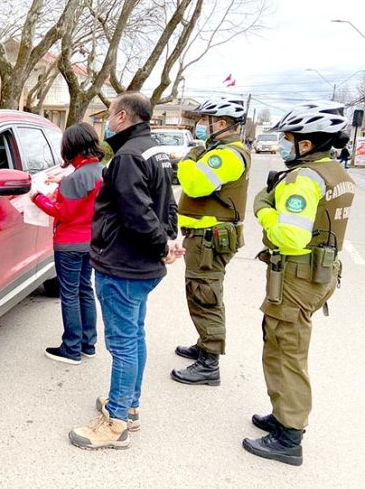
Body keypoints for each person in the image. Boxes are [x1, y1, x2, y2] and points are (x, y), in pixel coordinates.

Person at [69, 92, 184, 450]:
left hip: (124, 264)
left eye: (109, 115)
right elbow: (165, 203)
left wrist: (162, 244)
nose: (106, 123)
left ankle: (116, 421)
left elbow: (137, 212)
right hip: (141, 264)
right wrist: (168, 238)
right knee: (134, 336)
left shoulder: (129, 157)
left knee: (122, 344)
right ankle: (129, 406)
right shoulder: (154, 150)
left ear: (121, 116)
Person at [244, 101, 354, 466]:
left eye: (289, 140)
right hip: (320, 273)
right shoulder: (335, 172)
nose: (284, 145)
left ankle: (289, 436)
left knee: (286, 350)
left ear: (306, 145)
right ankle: (282, 415)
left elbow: (290, 236)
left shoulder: (303, 178)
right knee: (284, 344)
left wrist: (263, 207)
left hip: (297, 275)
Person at [171, 97, 251, 386]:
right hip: (205, 237)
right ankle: (205, 344)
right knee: (200, 292)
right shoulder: (218, 151)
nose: (200, 125)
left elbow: (193, 184)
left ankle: (209, 363)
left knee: (206, 295)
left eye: (205, 120)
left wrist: (189, 159)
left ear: (221, 123)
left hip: (210, 239)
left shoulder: (226, 155)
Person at [30, 123, 104, 365]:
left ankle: (71, 348)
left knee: (70, 294)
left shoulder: (73, 179)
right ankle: (88, 344)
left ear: (71, 146)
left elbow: (61, 212)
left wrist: (36, 197)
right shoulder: (98, 171)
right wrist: (61, 180)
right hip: (90, 240)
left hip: (69, 243)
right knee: (85, 289)